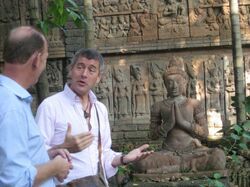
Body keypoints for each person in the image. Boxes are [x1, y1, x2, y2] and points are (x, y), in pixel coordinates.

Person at [35, 48, 152, 186]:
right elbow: (35, 155)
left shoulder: (100, 109)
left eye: (91, 70)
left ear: (98, 78)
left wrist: (124, 158)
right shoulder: (50, 106)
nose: (84, 74)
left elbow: (103, 154)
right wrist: (62, 147)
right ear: (70, 70)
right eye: (80, 67)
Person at [0, 26, 72, 186]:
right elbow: (14, 181)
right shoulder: (11, 107)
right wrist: (55, 167)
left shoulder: (9, 98)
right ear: (37, 60)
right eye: (46, 58)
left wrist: (47, 155)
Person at [134, 56, 226, 173]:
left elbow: (205, 133)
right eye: (170, 83)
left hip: (192, 150)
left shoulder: (194, 104)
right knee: (140, 163)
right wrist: (167, 125)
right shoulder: (159, 106)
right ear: (165, 85)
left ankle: (174, 168)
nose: (174, 86)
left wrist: (184, 123)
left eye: (178, 82)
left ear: (185, 82)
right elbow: (152, 135)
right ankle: (187, 166)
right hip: (168, 152)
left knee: (219, 157)